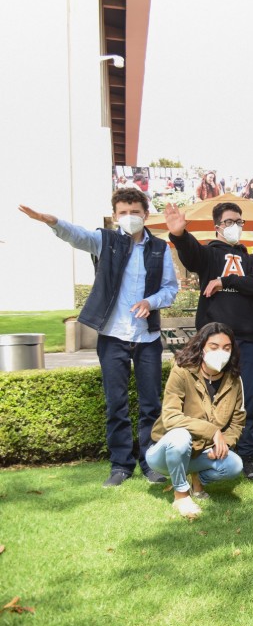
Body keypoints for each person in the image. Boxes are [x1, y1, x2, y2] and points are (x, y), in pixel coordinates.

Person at [19, 189, 179, 487]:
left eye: (134, 211)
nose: (129, 217)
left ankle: (151, 463)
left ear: (145, 214)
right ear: (115, 216)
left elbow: (171, 288)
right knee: (115, 403)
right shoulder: (104, 241)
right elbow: (77, 235)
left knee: (151, 405)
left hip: (147, 338)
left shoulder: (160, 248)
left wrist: (151, 302)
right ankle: (120, 465)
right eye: (122, 212)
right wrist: (52, 222)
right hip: (113, 336)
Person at [163, 199, 253, 480]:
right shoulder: (209, 256)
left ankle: (247, 456)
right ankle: (200, 449)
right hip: (211, 341)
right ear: (217, 227)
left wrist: (226, 281)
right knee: (205, 398)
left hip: (245, 340)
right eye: (228, 222)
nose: (235, 226)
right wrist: (179, 235)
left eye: (239, 221)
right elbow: (191, 255)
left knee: (245, 399)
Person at [147, 323, 245, 517]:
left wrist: (223, 444)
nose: (221, 352)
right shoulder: (182, 371)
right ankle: (181, 495)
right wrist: (213, 431)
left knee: (235, 465)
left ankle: (197, 480)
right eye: (214, 347)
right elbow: (171, 417)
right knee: (180, 437)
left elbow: (237, 422)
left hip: (203, 452)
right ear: (202, 347)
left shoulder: (234, 379)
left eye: (227, 348)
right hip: (166, 452)